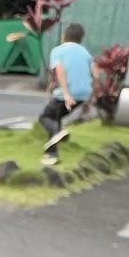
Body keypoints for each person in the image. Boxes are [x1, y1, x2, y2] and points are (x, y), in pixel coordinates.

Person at [39, 22, 94, 165]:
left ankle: (56, 137)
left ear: (64, 36)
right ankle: (52, 155)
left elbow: (60, 70)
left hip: (66, 94)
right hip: (83, 95)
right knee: (55, 119)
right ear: (81, 38)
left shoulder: (58, 51)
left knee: (45, 118)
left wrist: (66, 93)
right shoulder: (85, 52)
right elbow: (95, 74)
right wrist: (89, 99)